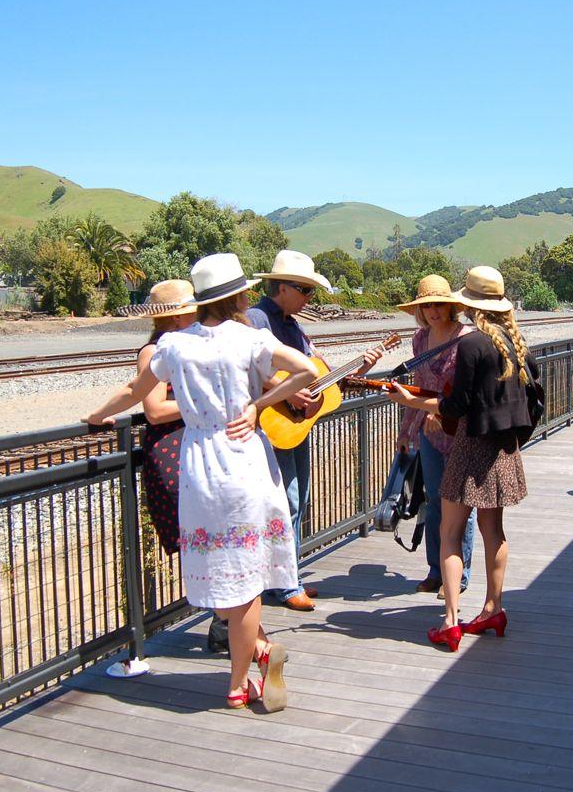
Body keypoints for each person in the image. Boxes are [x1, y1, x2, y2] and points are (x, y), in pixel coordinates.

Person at [86, 252, 319, 711]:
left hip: (200, 465)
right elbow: (308, 372)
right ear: (240, 295)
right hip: (245, 459)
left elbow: (134, 395)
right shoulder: (251, 338)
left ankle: (259, 654)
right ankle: (238, 681)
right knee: (249, 575)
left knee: (220, 570)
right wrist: (259, 403)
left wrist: (95, 416)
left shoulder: (174, 346)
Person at [385, 266, 539, 653]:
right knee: (494, 532)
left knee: (450, 533)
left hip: (470, 449)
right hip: (504, 450)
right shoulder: (512, 341)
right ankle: (493, 608)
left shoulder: (472, 345)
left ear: (468, 302)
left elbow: (455, 406)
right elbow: (532, 400)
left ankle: (451, 621)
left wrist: (410, 401)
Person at [246, 249, 383, 611]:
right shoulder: (256, 318)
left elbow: (320, 375)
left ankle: (287, 578)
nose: (310, 298)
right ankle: (285, 585)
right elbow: (249, 366)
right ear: (283, 288)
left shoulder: (293, 326)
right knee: (286, 502)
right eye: (305, 291)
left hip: (295, 426)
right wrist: (288, 392)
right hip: (272, 423)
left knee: (297, 501)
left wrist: (356, 371)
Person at [106, 279, 198, 678]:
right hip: (172, 450)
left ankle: (222, 621)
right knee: (196, 540)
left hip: (191, 446)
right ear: (176, 316)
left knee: (205, 540)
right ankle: (224, 621)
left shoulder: (187, 345)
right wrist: (203, 402)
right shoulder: (154, 351)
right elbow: (156, 410)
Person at [394, 274, 476, 598]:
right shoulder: (419, 339)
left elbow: (464, 393)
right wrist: (406, 430)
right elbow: (418, 387)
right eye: (426, 305)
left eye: (438, 304)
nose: (432, 311)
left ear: (451, 305)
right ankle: (435, 569)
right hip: (427, 434)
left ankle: (459, 575)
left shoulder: (465, 338)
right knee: (433, 501)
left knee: (458, 504)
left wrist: (439, 413)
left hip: (458, 432)